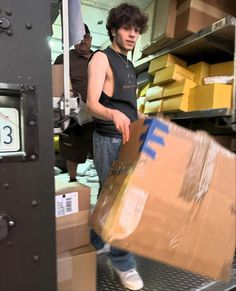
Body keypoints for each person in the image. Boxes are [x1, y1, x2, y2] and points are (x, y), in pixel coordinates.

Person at [87, 4, 148, 291]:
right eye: (127, 28)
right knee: (120, 198)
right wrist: (113, 114)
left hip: (128, 137)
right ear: (114, 29)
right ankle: (122, 261)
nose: (133, 34)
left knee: (110, 195)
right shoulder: (102, 58)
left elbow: (128, 107)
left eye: (137, 30)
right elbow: (93, 104)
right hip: (108, 138)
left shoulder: (129, 64)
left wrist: (145, 119)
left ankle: (96, 239)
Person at [54, 24, 94, 182]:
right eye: (78, 38)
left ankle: (105, 184)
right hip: (74, 114)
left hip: (99, 113)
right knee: (72, 150)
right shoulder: (63, 57)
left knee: (100, 150)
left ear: (90, 38)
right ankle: (72, 180)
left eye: (85, 37)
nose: (82, 41)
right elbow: (56, 85)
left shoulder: (100, 57)